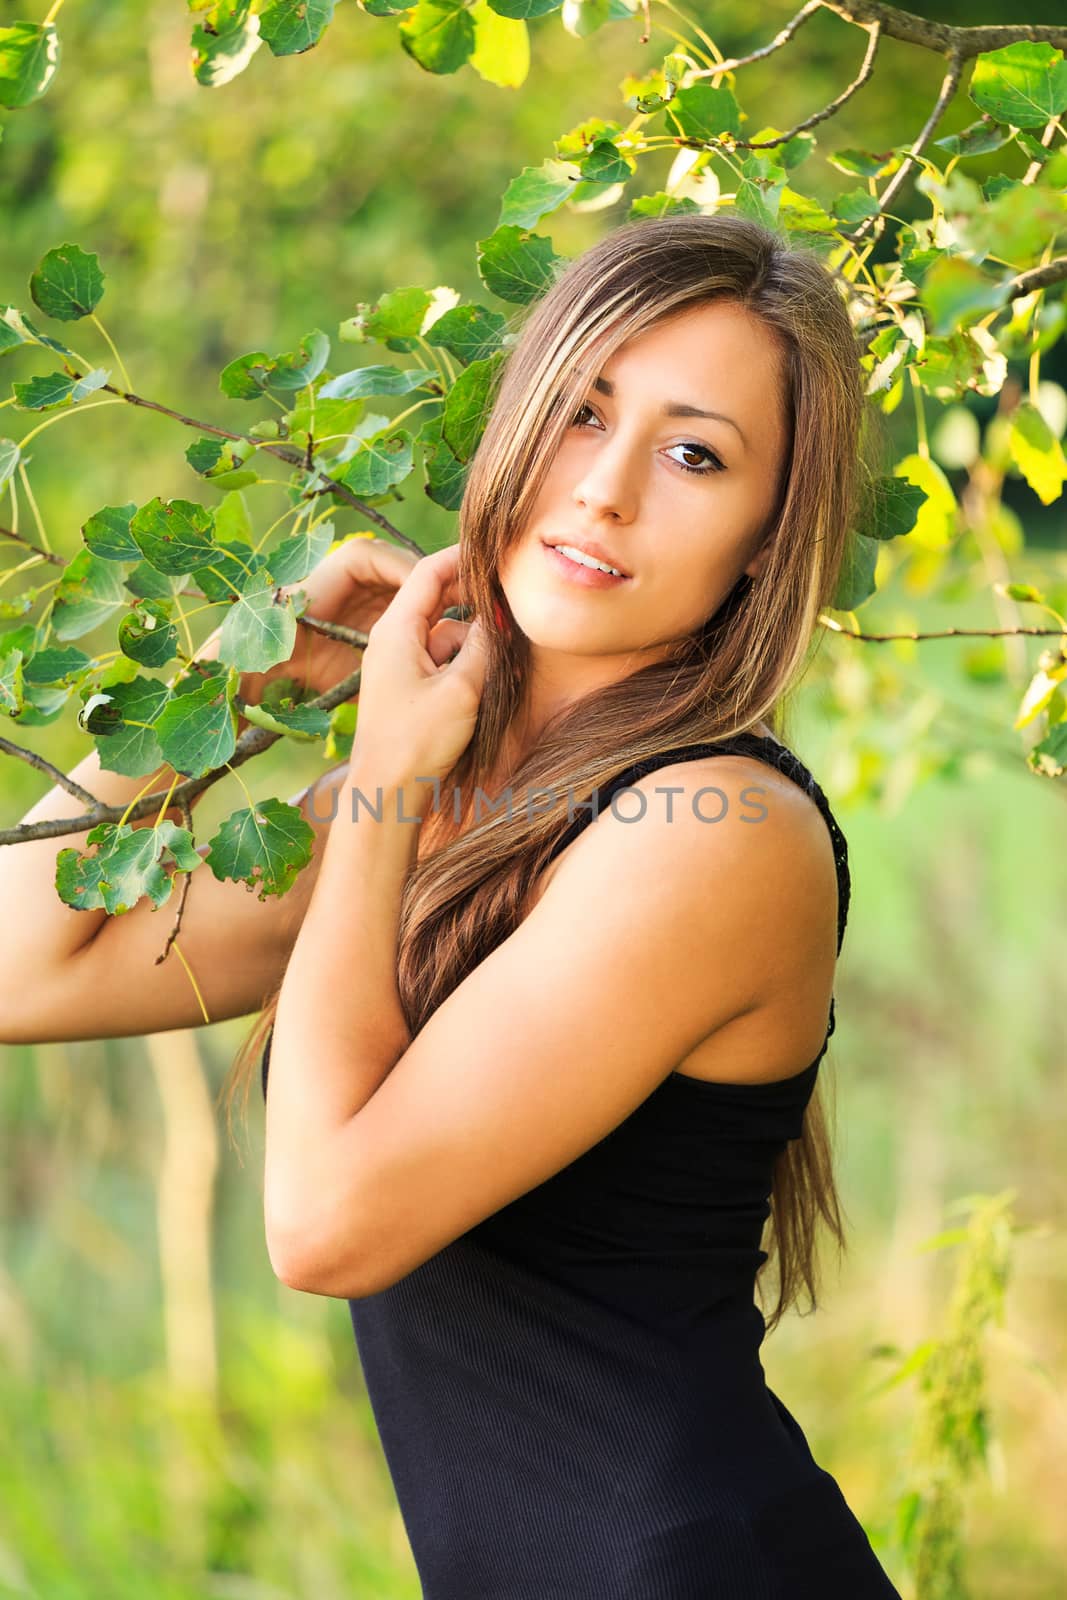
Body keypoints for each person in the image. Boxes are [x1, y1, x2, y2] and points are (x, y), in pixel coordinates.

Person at [2, 212, 901, 1598]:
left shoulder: (719, 833)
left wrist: (380, 784)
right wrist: (228, 674)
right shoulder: (446, 803)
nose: (603, 491)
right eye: (583, 410)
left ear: (767, 539)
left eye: (694, 454)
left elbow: (326, 1226)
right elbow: (17, 968)